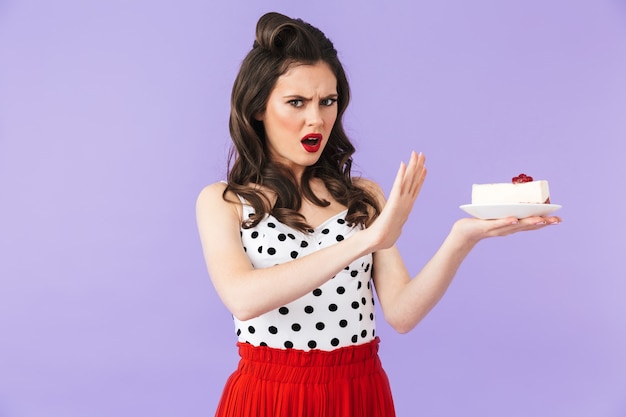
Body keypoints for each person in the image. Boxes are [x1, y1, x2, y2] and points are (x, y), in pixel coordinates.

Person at [196, 11, 560, 417]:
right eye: (296, 102)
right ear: (258, 108)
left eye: (328, 101)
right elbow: (243, 299)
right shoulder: (223, 201)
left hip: (358, 391)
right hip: (269, 396)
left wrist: (462, 237)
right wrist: (366, 240)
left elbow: (402, 314)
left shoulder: (363, 196)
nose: (316, 118)